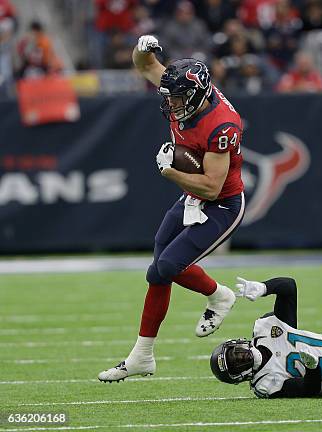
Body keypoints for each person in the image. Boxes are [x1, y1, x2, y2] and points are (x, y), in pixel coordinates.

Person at [98, 34, 244, 382]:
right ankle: (142, 357)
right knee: (157, 271)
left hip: (222, 204)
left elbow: (211, 185)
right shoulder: (184, 91)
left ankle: (219, 296)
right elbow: (146, 66)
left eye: (177, 99)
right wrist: (142, 47)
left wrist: (171, 172)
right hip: (194, 197)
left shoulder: (221, 124)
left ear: (195, 96)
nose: (171, 106)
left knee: (169, 264)